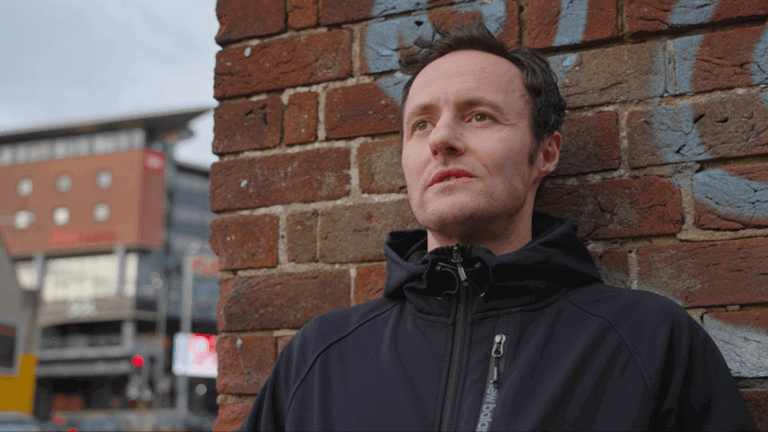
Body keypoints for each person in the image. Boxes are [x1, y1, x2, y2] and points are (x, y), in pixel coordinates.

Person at [238, 22, 757, 431]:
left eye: (479, 116)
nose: (442, 138)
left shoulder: (648, 343)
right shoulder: (319, 357)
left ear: (545, 152)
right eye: (421, 123)